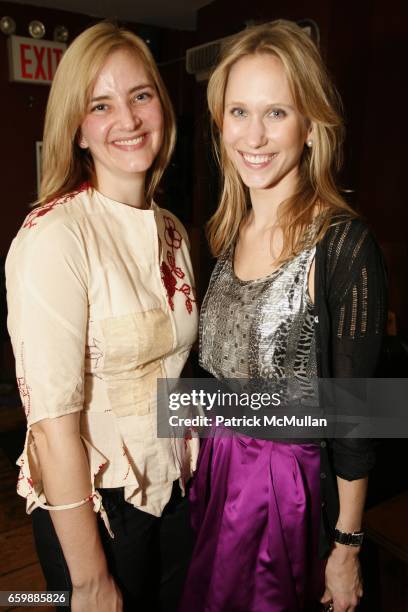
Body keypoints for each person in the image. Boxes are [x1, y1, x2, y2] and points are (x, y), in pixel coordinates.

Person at [180, 20, 387, 612]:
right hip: (216, 480)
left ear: (312, 126)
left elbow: (355, 420)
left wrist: (346, 548)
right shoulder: (224, 234)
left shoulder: (343, 245)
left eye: (277, 112)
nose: (255, 135)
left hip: (287, 497)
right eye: (239, 112)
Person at [6, 22, 198, 612]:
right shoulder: (54, 236)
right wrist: (88, 578)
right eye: (101, 104)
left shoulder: (172, 230)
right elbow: (51, 422)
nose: (129, 119)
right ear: (78, 129)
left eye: (141, 95)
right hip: (97, 514)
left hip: (175, 494)